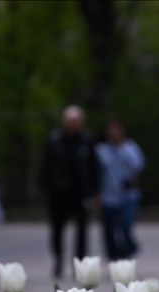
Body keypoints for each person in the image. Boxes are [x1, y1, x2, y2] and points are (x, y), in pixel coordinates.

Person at [39, 105, 101, 278]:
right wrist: (45, 186)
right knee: (57, 229)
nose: (74, 125)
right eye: (70, 121)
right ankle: (58, 259)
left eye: (77, 121)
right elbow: (46, 165)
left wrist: (95, 191)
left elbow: (94, 168)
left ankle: (80, 265)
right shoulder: (54, 140)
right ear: (64, 122)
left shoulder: (88, 141)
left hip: (81, 192)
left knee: (82, 231)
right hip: (58, 192)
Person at [96, 119, 144, 260]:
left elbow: (139, 165)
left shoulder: (129, 147)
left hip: (127, 194)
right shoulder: (101, 150)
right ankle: (113, 258)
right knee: (109, 228)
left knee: (125, 224)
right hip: (108, 195)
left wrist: (123, 149)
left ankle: (126, 253)